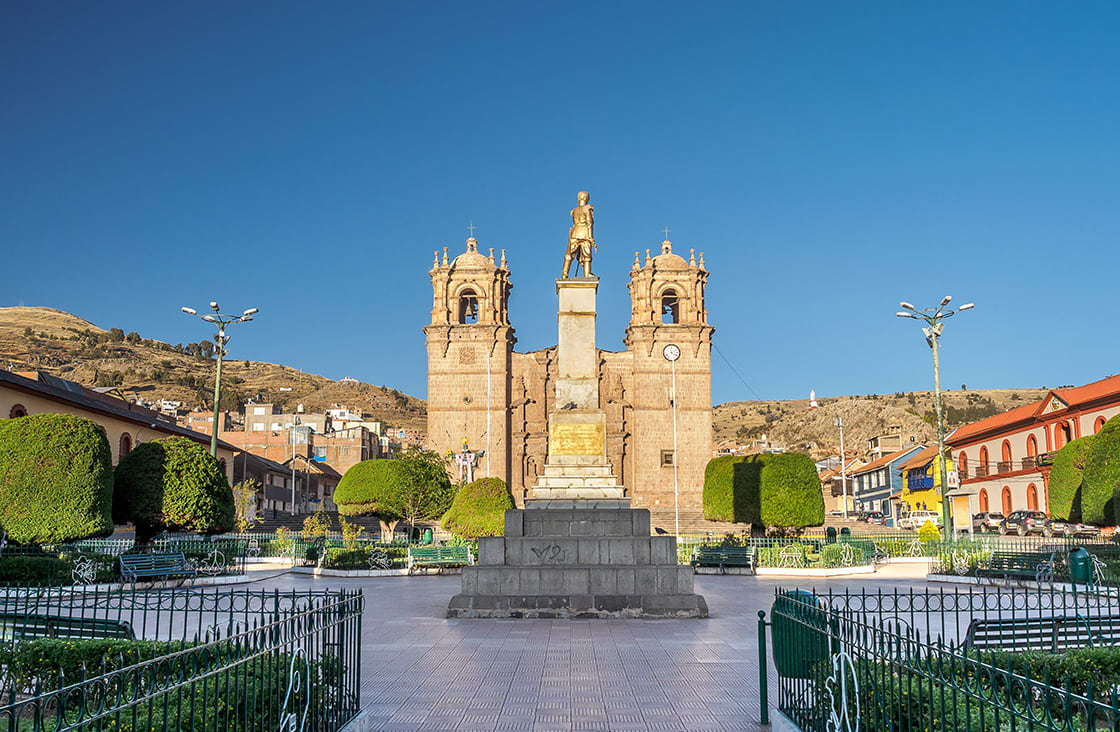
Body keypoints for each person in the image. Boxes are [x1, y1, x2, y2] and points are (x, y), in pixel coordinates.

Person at [562, 191, 595, 278]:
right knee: (587, 255)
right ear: (586, 199)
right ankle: (587, 275)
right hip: (584, 234)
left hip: (574, 233)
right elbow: (589, 223)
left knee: (569, 254)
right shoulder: (587, 209)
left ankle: (564, 274)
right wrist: (591, 237)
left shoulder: (574, 211)